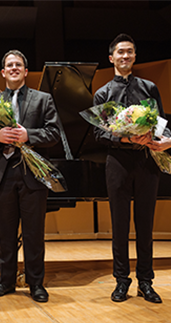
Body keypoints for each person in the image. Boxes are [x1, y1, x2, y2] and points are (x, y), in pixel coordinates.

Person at [94, 33, 171, 304]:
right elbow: (99, 135)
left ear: (135, 56)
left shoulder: (149, 87)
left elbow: (162, 122)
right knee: (119, 225)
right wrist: (125, 137)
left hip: (147, 161)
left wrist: (166, 141)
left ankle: (146, 282)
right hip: (117, 162)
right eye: (120, 52)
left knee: (145, 224)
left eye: (129, 52)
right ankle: (121, 281)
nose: (125, 56)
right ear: (111, 58)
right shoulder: (103, 93)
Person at [0, 50, 60, 301]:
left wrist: (29, 136)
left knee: (34, 233)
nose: (14, 68)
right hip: (1, 175)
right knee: (4, 234)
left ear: (25, 71)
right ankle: (5, 282)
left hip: (31, 174)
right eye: (9, 65)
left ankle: (36, 284)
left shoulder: (43, 99)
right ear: (3, 72)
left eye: (19, 65)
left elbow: (54, 133)